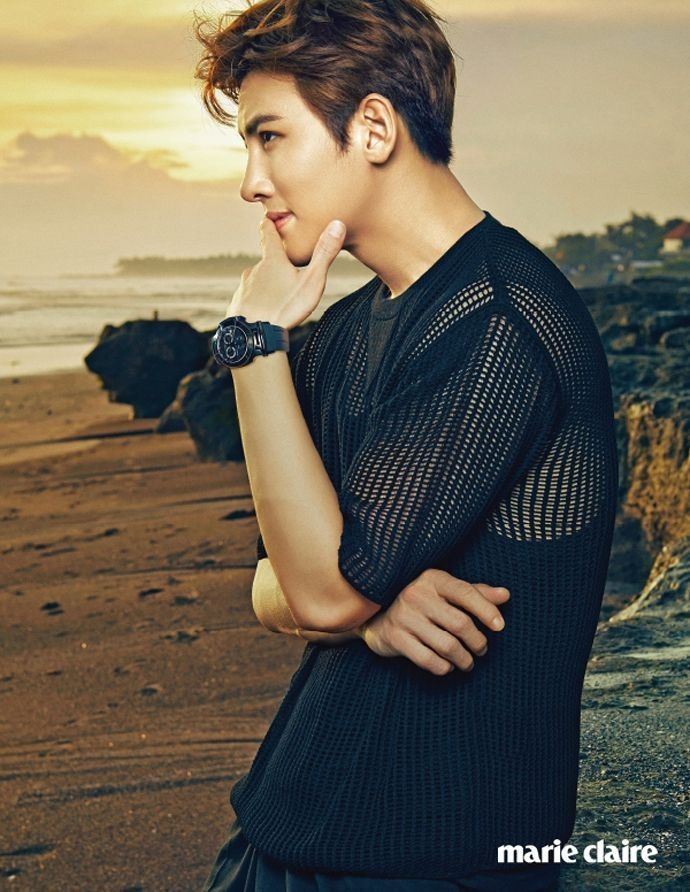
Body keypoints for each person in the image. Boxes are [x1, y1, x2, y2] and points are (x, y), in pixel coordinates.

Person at [193, 1, 618, 889]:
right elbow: (273, 582)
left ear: (375, 127)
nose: (251, 182)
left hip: (437, 855)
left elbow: (316, 587)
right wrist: (367, 609)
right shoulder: (347, 332)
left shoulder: (499, 324)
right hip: (289, 829)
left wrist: (253, 344)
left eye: (271, 138)